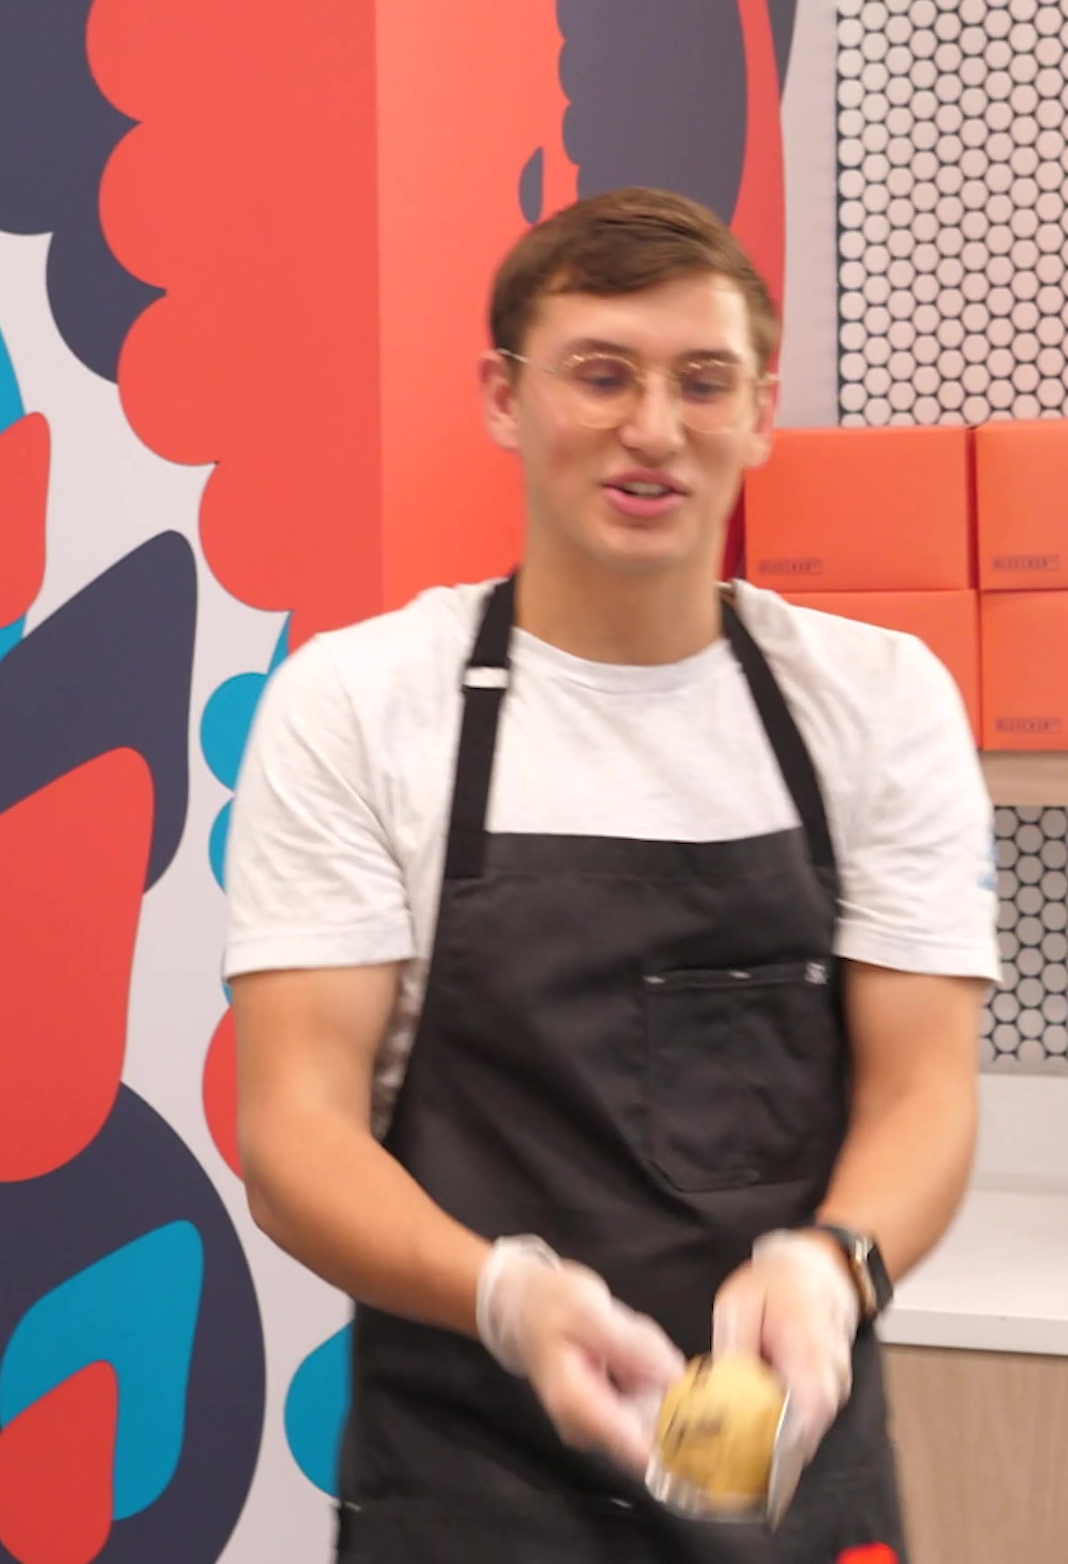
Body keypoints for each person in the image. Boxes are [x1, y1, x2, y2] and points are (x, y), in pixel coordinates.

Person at [226, 188, 999, 1562]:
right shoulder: (359, 708)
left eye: (703, 381)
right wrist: (508, 1297)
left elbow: (924, 1089)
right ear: (503, 397)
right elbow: (295, 1139)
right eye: (600, 374)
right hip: (467, 1480)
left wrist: (833, 1269)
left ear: (761, 410)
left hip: (791, 1468)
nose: (653, 428)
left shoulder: (878, 703)